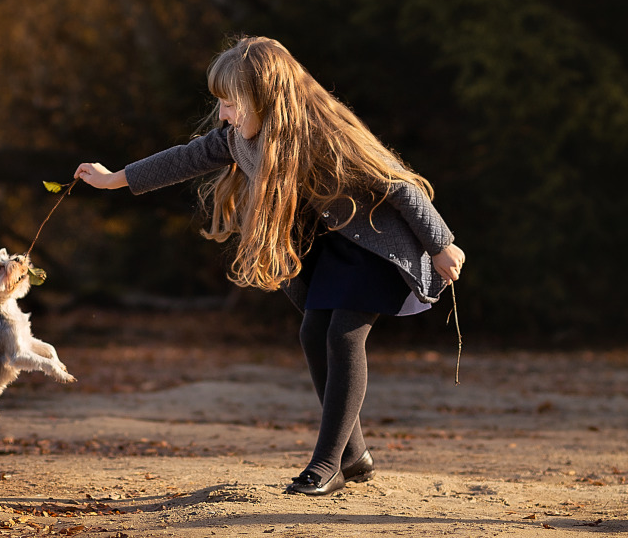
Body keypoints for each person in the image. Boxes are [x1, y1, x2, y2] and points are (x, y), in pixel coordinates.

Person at [75, 36, 465, 496]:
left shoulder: (325, 134)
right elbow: (185, 158)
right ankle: (354, 454)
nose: (222, 114)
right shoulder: (242, 139)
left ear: (266, 98)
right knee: (312, 333)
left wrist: (441, 244)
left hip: (374, 244)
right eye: (220, 103)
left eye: (230, 102)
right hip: (331, 248)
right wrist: (114, 179)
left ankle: (328, 464)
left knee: (343, 335)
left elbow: (398, 185)